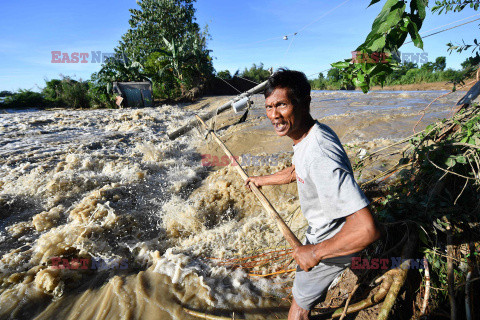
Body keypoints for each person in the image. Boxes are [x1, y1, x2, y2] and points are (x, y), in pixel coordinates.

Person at [245, 69, 380, 320]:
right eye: (269, 107)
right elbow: (299, 170)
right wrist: (260, 181)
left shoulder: (320, 153)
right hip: (326, 237)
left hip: (333, 244)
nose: (274, 115)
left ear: (304, 102)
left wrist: (314, 252)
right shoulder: (310, 134)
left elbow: (366, 229)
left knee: (297, 310)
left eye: (282, 105)